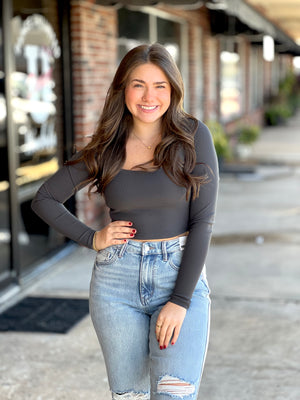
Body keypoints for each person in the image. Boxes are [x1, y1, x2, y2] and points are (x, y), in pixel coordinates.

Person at [32, 43, 219, 400]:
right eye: (138, 84)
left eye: (160, 85)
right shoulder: (106, 148)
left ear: (173, 90)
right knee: (128, 396)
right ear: (123, 89)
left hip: (179, 276)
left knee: (174, 394)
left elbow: (203, 222)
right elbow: (45, 198)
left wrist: (179, 300)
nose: (149, 96)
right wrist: (92, 238)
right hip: (116, 284)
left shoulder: (194, 137)